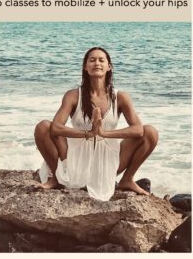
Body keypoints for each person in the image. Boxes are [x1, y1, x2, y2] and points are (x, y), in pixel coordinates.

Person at [34, 47, 158, 201]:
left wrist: (104, 133)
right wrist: (88, 133)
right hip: (75, 157)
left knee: (150, 132)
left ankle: (127, 179)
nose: (96, 63)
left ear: (109, 66)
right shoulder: (73, 95)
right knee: (43, 127)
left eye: (101, 60)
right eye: (92, 60)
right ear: (85, 67)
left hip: (107, 157)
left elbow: (138, 130)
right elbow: (56, 127)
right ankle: (55, 179)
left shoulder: (120, 97)